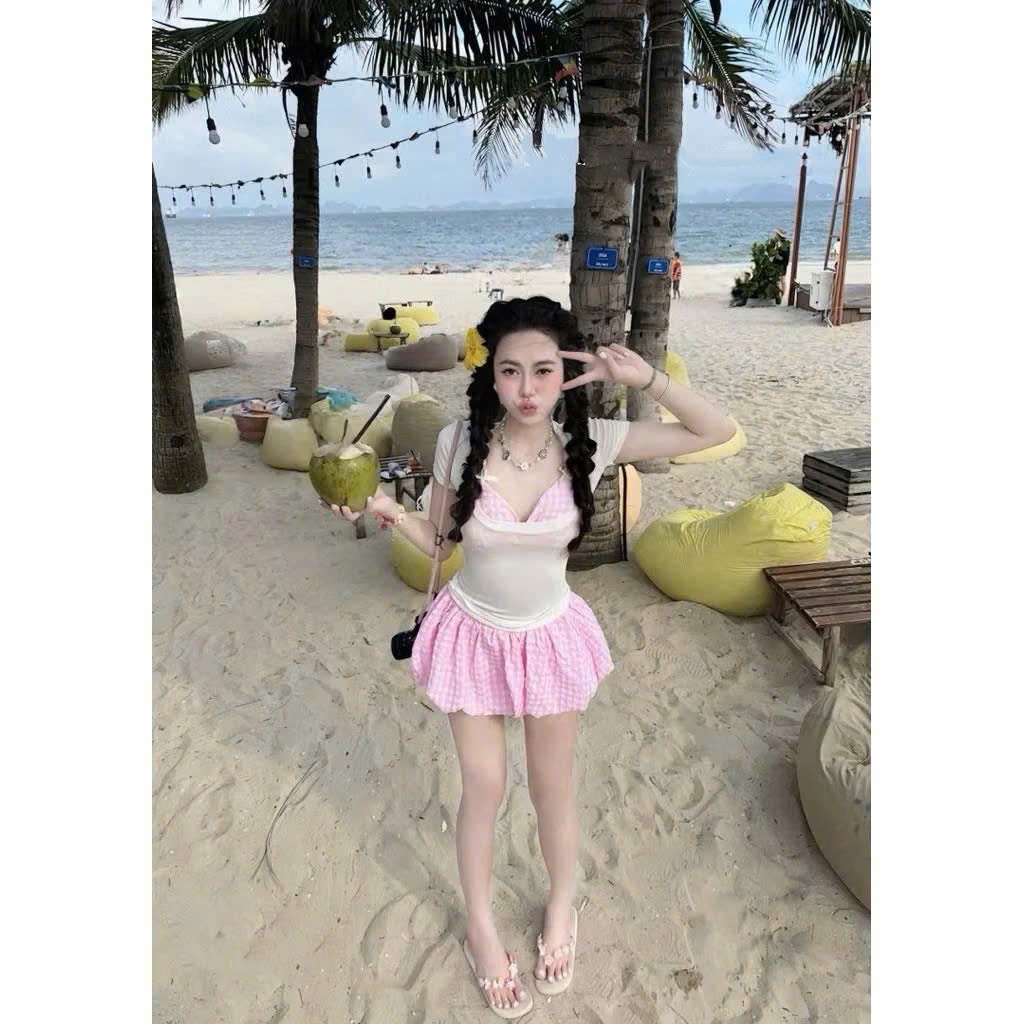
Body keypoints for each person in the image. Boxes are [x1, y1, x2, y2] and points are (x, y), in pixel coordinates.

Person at [321, 297, 734, 1018]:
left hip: (548, 636)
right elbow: (441, 542)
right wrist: (387, 511)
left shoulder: (595, 440)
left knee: (552, 788)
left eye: (544, 370)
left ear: (567, 373)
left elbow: (717, 431)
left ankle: (562, 906)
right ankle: (481, 928)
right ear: (492, 375)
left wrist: (644, 377)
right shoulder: (459, 442)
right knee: (483, 787)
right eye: (511, 370)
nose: (527, 388)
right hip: (473, 633)